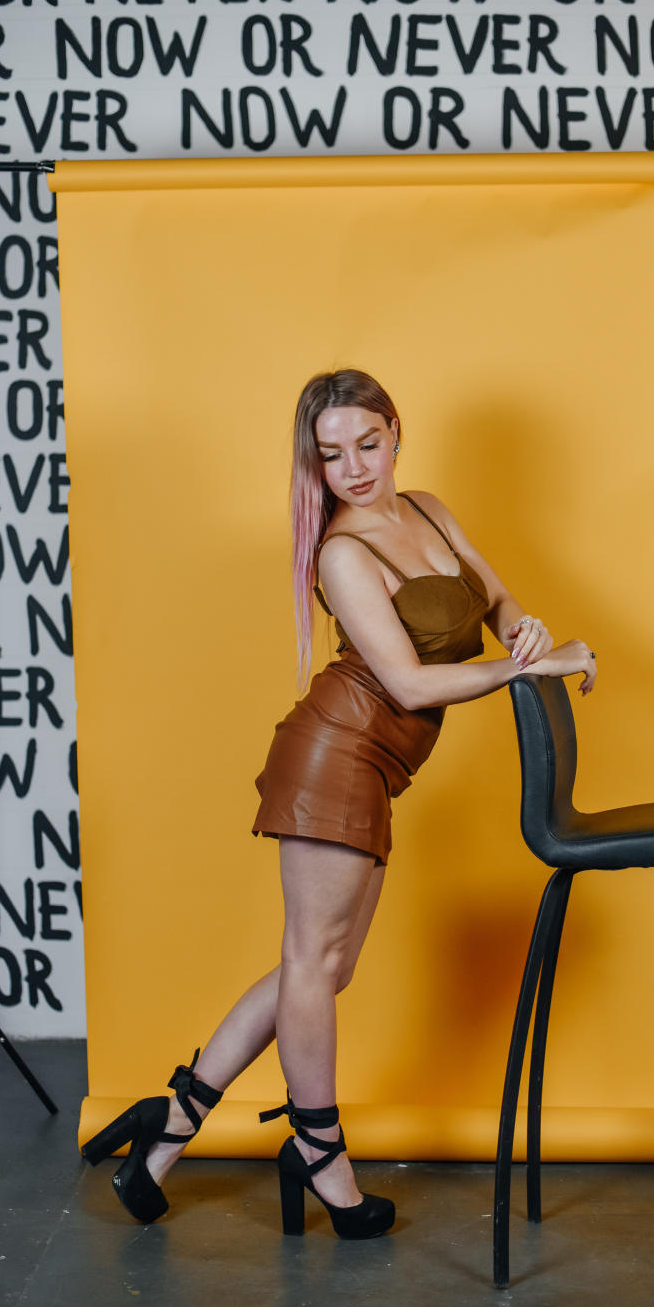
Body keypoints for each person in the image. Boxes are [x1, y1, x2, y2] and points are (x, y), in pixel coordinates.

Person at [81, 368, 597, 1239]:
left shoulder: (428, 510)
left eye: (367, 444)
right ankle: (321, 1152)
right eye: (331, 455)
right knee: (314, 964)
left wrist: (524, 631)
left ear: (396, 433)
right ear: (313, 463)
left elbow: (497, 600)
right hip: (334, 757)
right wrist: (530, 667)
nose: (354, 469)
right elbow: (408, 682)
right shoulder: (342, 553)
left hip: (376, 765)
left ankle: (169, 1124)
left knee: (318, 968)